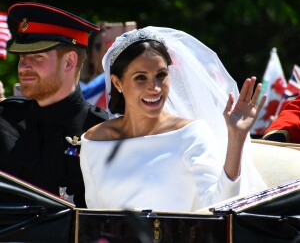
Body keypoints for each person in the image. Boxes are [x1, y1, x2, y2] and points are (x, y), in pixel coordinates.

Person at [80, 26, 267, 212]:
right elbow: (94, 215)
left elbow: (219, 207)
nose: (155, 88)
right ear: (117, 82)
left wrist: (236, 137)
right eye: (141, 78)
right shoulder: (94, 141)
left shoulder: (191, 133)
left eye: (161, 75)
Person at [0, 2, 108, 208]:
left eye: (37, 56)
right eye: (22, 56)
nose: (23, 67)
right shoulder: (5, 120)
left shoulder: (101, 132)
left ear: (69, 62)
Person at [80, 21, 137, 108]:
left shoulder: (130, 88)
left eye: (112, 45)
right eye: (99, 46)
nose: (107, 51)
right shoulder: (78, 88)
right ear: (90, 55)